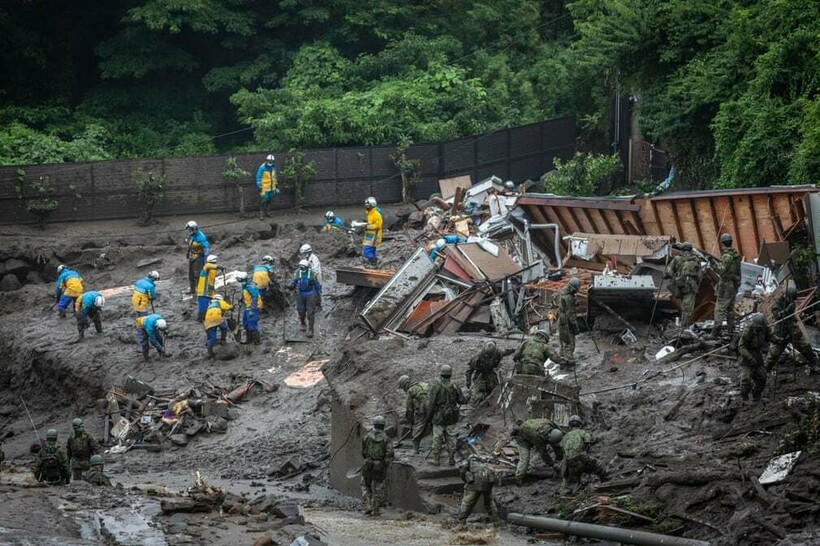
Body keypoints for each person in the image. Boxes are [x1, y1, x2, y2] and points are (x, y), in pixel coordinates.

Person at [767, 285, 817, 371]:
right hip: (781, 330)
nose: (792, 301)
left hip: (791, 328)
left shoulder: (792, 302)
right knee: (773, 354)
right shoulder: (776, 303)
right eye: (790, 298)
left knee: (805, 346)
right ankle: (765, 370)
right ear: (786, 296)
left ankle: (812, 362)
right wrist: (787, 310)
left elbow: (792, 316)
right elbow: (778, 316)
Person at [425, 364, 465, 467]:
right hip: (452, 418)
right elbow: (461, 400)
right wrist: (467, 396)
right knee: (452, 439)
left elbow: (431, 404)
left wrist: (428, 419)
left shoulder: (436, 387)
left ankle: (436, 460)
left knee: (437, 439)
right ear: (451, 374)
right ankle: (451, 459)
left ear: (441, 374)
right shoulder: (455, 386)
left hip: (438, 418)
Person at [560, 415, 607, 492]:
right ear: (580, 424)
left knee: (571, 479)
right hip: (581, 459)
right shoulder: (583, 432)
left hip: (569, 463)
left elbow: (563, 449)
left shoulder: (565, 437)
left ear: (570, 426)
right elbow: (590, 441)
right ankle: (605, 482)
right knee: (599, 466)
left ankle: (570, 489)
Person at [361, 415, 394, 517]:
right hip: (379, 465)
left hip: (368, 464)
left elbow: (363, 452)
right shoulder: (386, 439)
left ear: (374, 424)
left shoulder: (366, 437)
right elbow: (390, 453)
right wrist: (386, 464)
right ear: (383, 426)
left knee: (365, 485)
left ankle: (368, 506)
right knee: (378, 486)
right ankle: (376, 509)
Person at [456, 455, 500, 529]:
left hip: (474, 483)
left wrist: (465, 479)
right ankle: (496, 523)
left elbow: (462, 470)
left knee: (467, 502)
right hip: (488, 483)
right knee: (489, 503)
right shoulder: (485, 463)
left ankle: (461, 523)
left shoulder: (468, 461)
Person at [664, 242, 702, 327]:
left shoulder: (677, 258)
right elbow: (699, 276)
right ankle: (684, 328)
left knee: (683, 306)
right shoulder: (696, 259)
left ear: (682, 249)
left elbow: (669, 272)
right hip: (691, 286)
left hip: (679, 285)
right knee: (687, 309)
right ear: (691, 250)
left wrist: (665, 275)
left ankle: (683, 326)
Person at [738, 313, 772, 402]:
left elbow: (770, 336)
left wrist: (778, 340)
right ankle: (744, 398)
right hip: (747, 357)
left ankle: (756, 395)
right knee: (746, 380)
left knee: (762, 377)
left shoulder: (764, 328)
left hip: (757, 355)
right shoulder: (748, 330)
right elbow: (741, 347)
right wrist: (749, 358)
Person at [712, 234, 741, 337]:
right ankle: (731, 330)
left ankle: (716, 332)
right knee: (730, 309)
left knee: (719, 308)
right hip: (733, 284)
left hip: (725, 285)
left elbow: (721, 270)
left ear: (723, 244)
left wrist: (713, 264)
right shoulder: (735, 255)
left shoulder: (727, 256)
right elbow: (738, 272)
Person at [289, 259, 322, 338]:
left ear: (307, 267)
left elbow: (317, 285)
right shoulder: (297, 273)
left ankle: (311, 330)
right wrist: (290, 286)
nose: (302, 269)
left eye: (304, 268)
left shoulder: (312, 274)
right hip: (300, 293)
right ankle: (302, 323)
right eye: (301, 267)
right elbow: (294, 282)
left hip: (310, 293)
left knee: (310, 312)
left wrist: (318, 292)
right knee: (301, 310)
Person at [398, 375, 430, 454]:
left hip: (422, 411)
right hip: (433, 408)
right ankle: (439, 444)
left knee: (418, 429)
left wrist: (410, 420)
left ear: (405, 385)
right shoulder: (424, 384)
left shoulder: (410, 390)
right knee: (435, 426)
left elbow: (409, 409)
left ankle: (415, 449)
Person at [557, 277, 581, 364]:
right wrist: (575, 326)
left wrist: (574, 301)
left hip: (561, 320)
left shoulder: (564, 291)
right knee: (569, 342)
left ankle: (562, 358)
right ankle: (568, 361)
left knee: (563, 341)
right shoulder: (568, 297)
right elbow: (570, 314)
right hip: (566, 322)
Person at [237, 272, 262, 345]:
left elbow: (255, 297)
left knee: (252, 325)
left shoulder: (251, 287)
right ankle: (249, 340)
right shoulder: (245, 286)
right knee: (246, 324)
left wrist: (252, 309)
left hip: (252, 308)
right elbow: (246, 295)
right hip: (247, 308)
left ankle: (257, 341)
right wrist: (242, 298)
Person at [186, 221, 210, 294]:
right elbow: (190, 244)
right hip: (192, 256)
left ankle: (200, 289)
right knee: (191, 274)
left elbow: (206, 249)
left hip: (199, 257)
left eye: (190, 229)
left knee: (197, 274)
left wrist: (205, 260)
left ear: (194, 228)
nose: (189, 231)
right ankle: (192, 289)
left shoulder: (201, 237)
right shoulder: (192, 235)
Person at [196, 254, 222, 322]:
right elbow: (209, 266)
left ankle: (207, 317)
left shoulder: (213, 269)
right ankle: (201, 318)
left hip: (209, 290)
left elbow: (211, 280)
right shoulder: (207, 266)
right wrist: (218, 267)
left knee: (210, 304)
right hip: (203, 291)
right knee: (203, 305)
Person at [256, 154, 279, 220]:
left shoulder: (274, 167)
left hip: (272, 187)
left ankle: (268, 213)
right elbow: (258, 177)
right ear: (266, 160)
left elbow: (274, 177)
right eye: (269, 161)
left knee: (270, 200)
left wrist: (276, 185)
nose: (270, 163)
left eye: (271, 161)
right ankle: (261, 214)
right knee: (264, 200)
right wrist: (259, 186)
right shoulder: (262, 167)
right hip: (264, 187)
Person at [362, 197, 383, 267]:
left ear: (372, 205)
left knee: (367, 251)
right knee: (371, 250)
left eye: (368, 205)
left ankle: (374, 262)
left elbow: (378, 225)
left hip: (374, 235)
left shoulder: (376, 214)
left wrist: (368, 227)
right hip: (370, 234)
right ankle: (374, 264)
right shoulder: (370, 213)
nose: (366, 206)